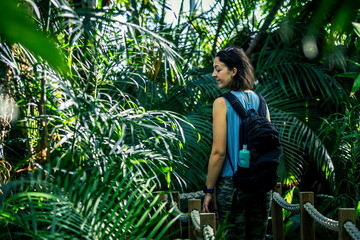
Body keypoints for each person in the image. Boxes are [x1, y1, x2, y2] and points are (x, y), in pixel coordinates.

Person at [202, 46, 272, 240]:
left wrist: (209, 190)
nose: (214, 74)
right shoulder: (261, 102)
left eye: (218, 69)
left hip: (231, 186)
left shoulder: (221, 103)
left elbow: (219, 152)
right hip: (261, 184)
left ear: (233, 71)